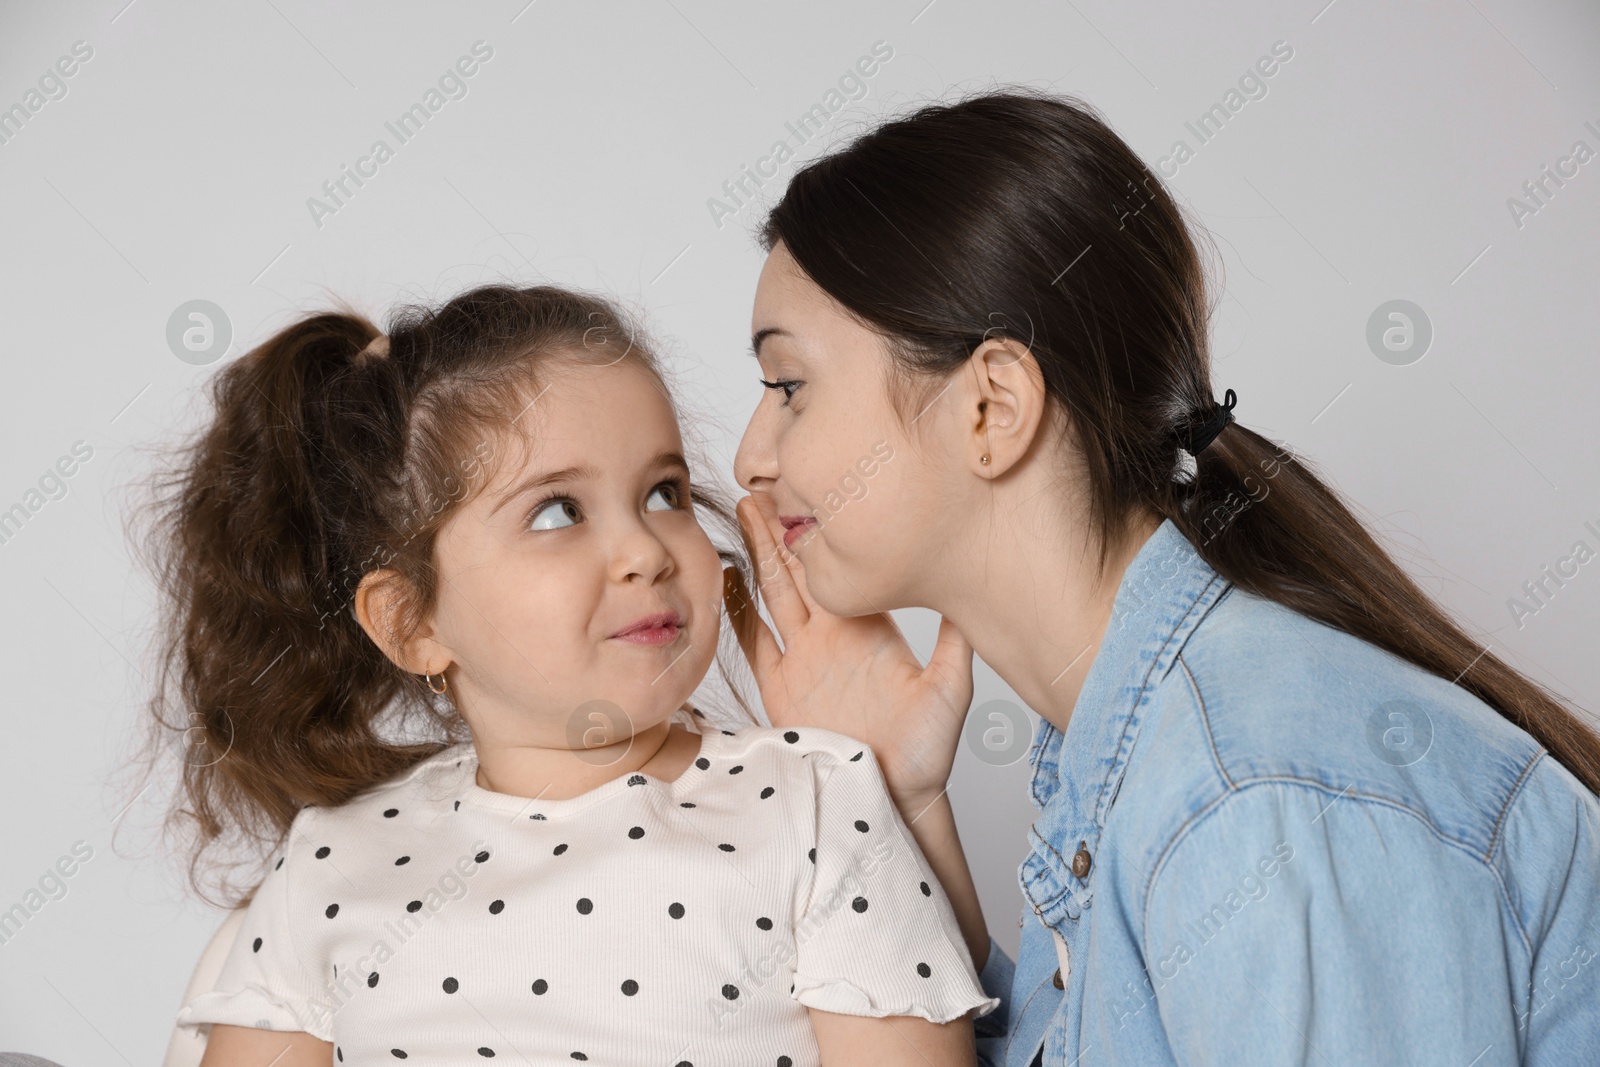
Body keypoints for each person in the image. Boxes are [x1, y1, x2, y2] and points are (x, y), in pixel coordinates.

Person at [724, 89, 1600, 1065]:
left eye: (789, 387)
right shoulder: (1153, 759)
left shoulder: (1250, 798)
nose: (750, 458)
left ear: (991, 407)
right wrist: (905, 804)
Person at [138, 283, 998, 1065]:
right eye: (558, 511)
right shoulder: (335, 860)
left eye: (663, 492)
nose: (643, 550)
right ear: (413, 622)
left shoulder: (815, 800)